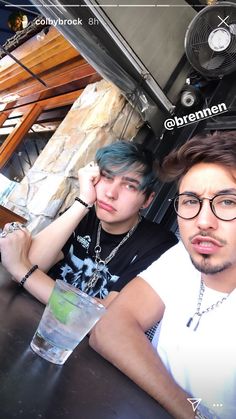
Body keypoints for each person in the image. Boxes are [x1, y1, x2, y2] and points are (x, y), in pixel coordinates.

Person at [89, 131, 236, 419]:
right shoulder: (184, 256)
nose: (203, 222)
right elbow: (108, 329)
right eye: (191, 201)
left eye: (228, 202)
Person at [0, 140, 177, 307]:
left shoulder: (158, 243)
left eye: (129, 186)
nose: (111, 193)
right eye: (107, 177)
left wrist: (21, 270)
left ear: (147, 200)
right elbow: (30, 262)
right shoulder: (83, 214)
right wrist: (83, 200)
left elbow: (103, 315)